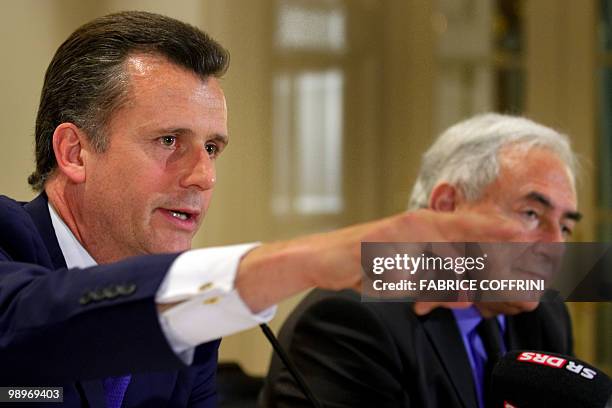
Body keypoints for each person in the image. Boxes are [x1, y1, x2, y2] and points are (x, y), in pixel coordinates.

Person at [0, 11, 521, 407]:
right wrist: (302, 260)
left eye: (211, 148)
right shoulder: (9, 241)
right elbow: (36, 324)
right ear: (75, 153)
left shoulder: (192, 324)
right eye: (167, 141)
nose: (203, 176)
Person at [260, 113, 581, 408]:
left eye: (565, 227)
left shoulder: (546, 318)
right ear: (447, 205)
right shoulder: (351, 320)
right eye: (531, 215)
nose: (553, 246)